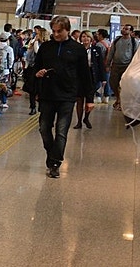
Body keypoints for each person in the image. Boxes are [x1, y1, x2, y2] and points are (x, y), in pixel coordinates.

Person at [34, 16, 94, 179]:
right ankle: (52, 154)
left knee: (61, 130)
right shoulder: (45, 47)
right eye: (53, 31)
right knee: (44, 129)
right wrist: (37, 74)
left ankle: (55, 163)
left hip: (67, 95)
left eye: (59, 31)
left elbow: (85, 75)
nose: (56, 34)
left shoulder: (77, 49)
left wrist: (89, 98)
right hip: (47, 94)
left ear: (67, 30)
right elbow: (36, 68)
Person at [73, 30, 105, 129]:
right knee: (79, 99)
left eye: (87, 37)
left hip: (91, 76)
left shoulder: (96, 49)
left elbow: (100, 64)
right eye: (83, 36)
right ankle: (78, 121)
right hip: (79, 76)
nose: (85, 38)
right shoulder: (77, 49)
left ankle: (86, 118)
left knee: (89, 99)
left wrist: (103, 78)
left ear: (91, 39)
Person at [106, 24, 139, 111]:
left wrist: (133, 67)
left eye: (126, 29)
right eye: (123, 28)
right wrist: (108, 64)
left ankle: (121, 101)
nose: (124, 30)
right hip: (116, 65)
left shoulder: (134, 41)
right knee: (113, 83)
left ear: (131, 32)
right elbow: (111, 52)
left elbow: (135, 54)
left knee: (123, 85)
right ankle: (118, 98)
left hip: (127, 66)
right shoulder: (117, 40)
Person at [24, 27, 49, 115]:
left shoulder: (45, 45)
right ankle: (33, 106)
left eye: (38, 34)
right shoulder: (35, 43)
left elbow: (38, 52)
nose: (36, 35)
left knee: (40, 88)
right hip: (34, 67)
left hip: (40, 68)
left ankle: (40, 106)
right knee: (33, 89)